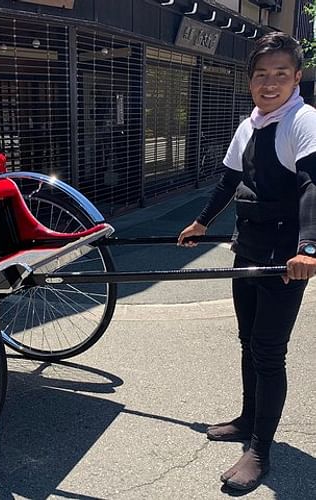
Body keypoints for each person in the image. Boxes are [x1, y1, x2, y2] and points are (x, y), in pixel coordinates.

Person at [178, 31, 316, 491]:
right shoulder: (250, 124)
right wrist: (201, 223)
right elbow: (227, 182)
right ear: (250, 81)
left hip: (285, 259)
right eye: (261, 75)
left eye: (280, 74)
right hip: (249, 248)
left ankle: (260, 448)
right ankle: (246, 418)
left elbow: (312, 187)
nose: (270, 83)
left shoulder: (304, 121)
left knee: (268, 351)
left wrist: (309, 249)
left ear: (297, 77)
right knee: (246, 341)